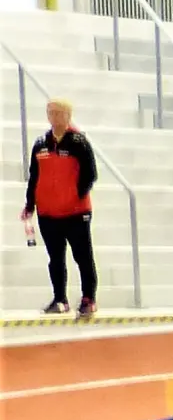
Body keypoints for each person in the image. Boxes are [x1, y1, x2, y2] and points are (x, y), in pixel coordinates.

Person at [21, 98, 98, 316]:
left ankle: (88, 298)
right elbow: (34, 176)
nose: (54, 116)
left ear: (68, 116)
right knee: (55, 258)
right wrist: (30, 204)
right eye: (50, 112)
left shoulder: (79, 142)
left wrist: (75, 196)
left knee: (82, 256)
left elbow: (90, 174)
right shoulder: (40, 143)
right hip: (48, 213)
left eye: (58, 112)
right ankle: (60, 299)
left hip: (76, 212)